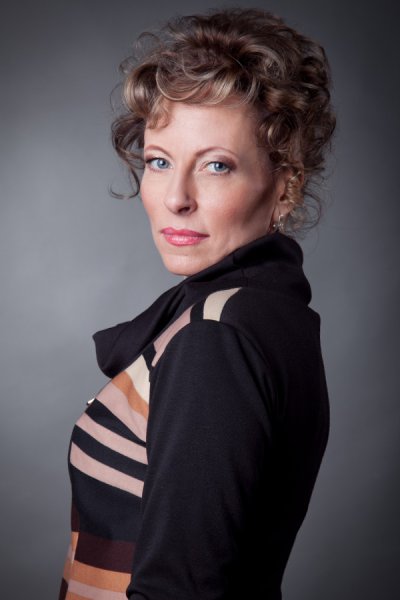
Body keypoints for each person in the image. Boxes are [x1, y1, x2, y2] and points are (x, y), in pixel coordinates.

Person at [59, 7, 336, 599]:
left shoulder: (217, 337)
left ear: (285, 184)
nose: (176, 198)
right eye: (160, 161)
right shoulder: (264, 313)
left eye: (216, 165)